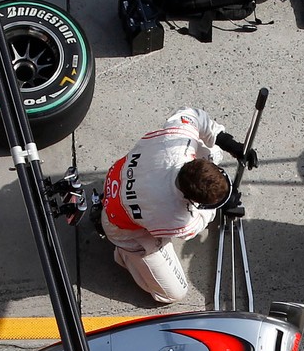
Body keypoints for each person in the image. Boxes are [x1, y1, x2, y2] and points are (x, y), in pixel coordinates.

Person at [99, 107, 250, 304]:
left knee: (213, 148)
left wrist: (227, 142)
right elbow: (202, 217)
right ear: (190, 200)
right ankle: (127, 255)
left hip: (118, 177)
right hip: (119, 226)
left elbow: (194, 116)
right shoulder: (178, 219)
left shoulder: (178, 139)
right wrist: (221, 205)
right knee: (173, 293)